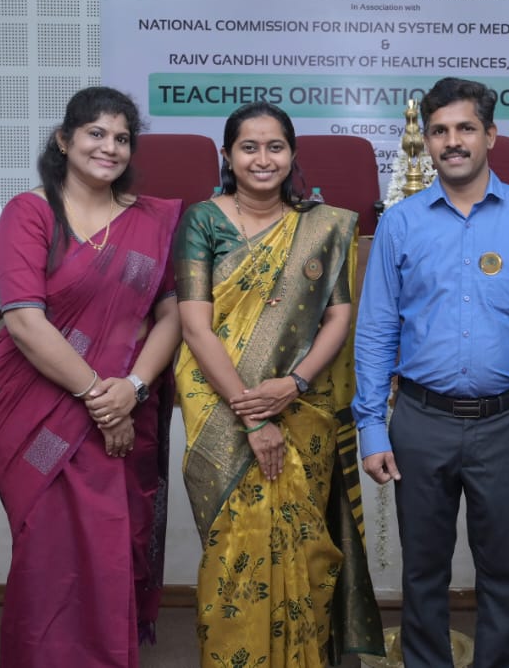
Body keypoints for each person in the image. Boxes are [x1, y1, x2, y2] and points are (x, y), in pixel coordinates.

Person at [353, 77, 509, 668]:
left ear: (491, 135)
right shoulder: (401, 222)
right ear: (425, 141)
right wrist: (372, 427)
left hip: (507, 424)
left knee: (502, 571)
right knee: (422, 571)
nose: (452, 142)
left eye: (465, 128)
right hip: (420, 421)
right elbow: (376, 330)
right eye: (439, 131)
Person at [173, 102, 384, 668]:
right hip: (221, 407)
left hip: (302, 404)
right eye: (249, 147)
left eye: (275, 147)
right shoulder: (202, 221)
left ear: (292, 155)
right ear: (227, 155)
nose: (262, 159)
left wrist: (295, 382)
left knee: (305, 548)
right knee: (233, 551)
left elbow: (339, 315)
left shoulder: (323, 226)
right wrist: (253, 416)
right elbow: (195, 326)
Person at [0, 87, 182, 667]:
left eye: (122, 137)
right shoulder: (30, 213)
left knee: (113, 549)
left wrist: (133, 390)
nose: (110, 147)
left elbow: (171, 314)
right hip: (44, 410)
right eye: (96, 133)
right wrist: (101, 398)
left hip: (127, 404)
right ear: (64, 139)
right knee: (48, 553)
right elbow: (25, 321)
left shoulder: (151, 221)